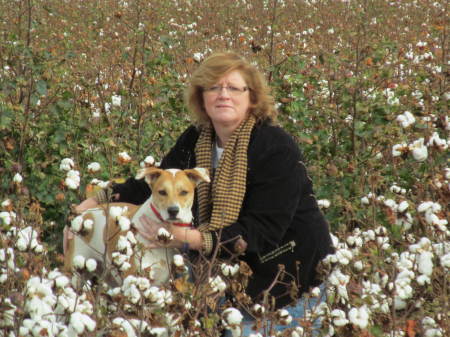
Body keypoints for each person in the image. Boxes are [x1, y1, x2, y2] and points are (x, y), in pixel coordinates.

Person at [74, 52, 334, 335]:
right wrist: (94, 202)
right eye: (213, 87)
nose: (223, 95)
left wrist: (190, 239)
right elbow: (155, 184)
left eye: (234, 88)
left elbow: (262, 231)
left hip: (286, 281)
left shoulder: (275, 147)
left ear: (252, 97)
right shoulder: (196, 139)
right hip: (225, 278)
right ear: (202, 97)